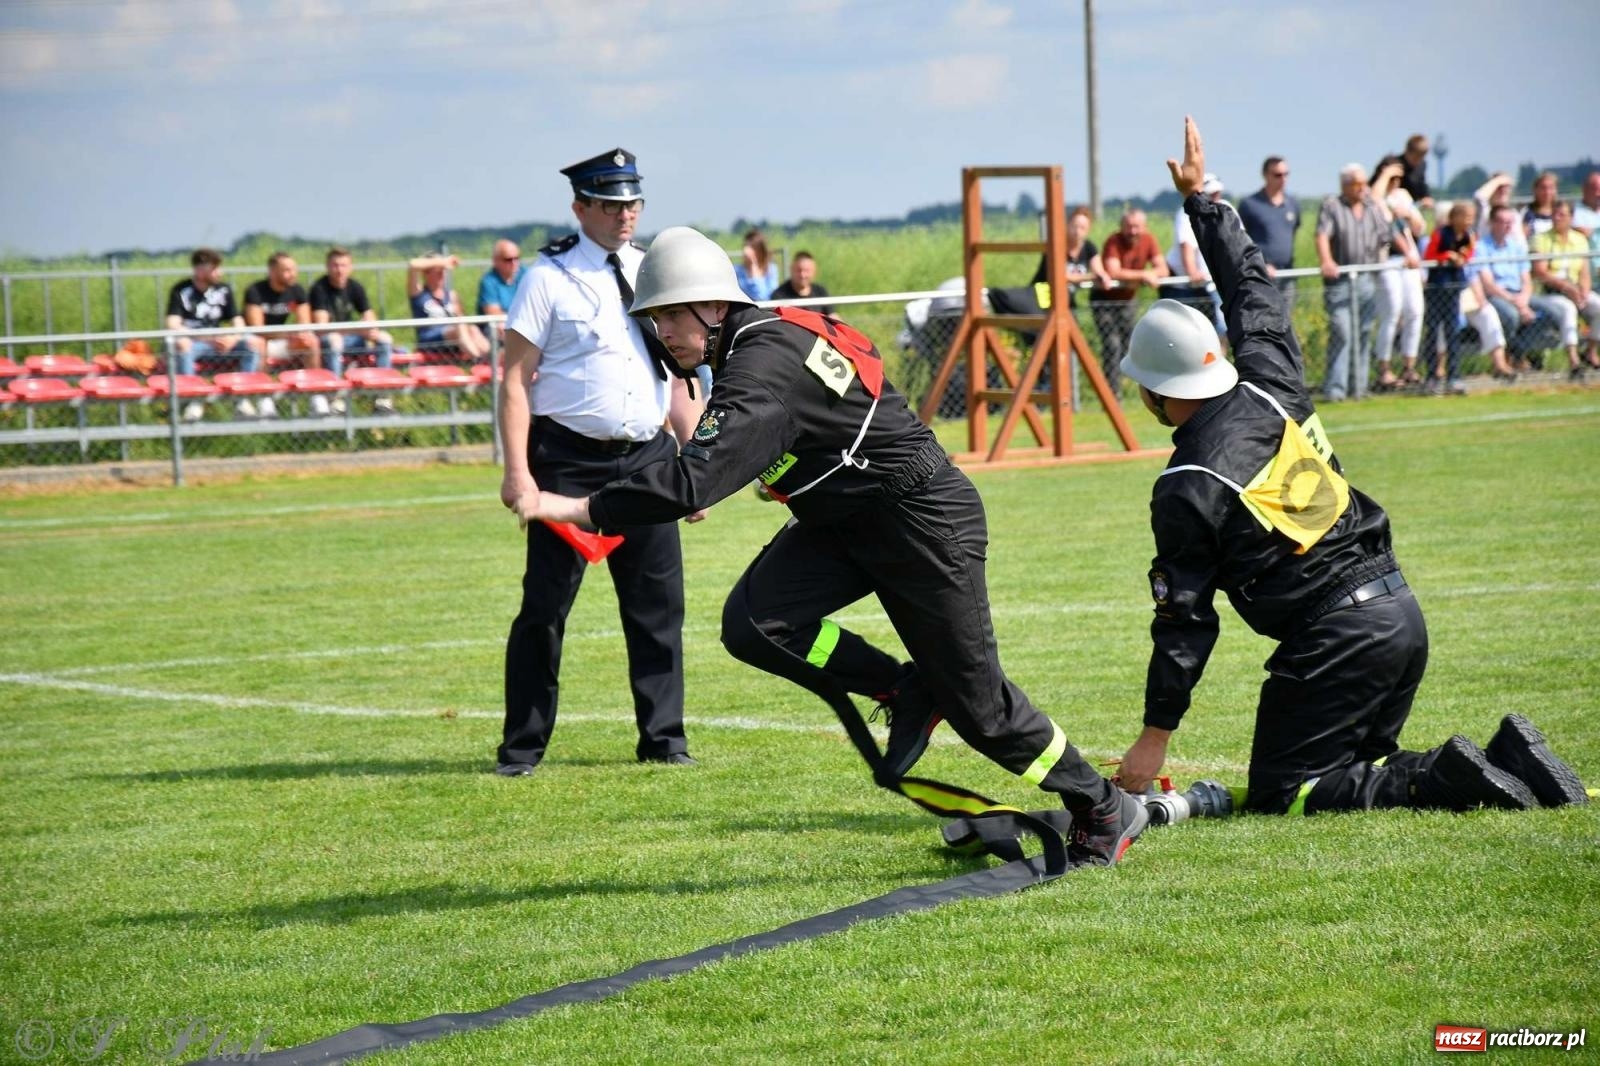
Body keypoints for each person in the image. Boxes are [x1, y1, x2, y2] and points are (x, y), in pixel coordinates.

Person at [513, 224, 1150, 866]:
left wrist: (573, 506)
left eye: (672, 315)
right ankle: (901, 689)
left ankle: (1101, 804)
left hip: (920, 522)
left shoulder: (759, 365)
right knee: (755, 623)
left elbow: (691, 483)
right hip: (846, 519)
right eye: (654, 320)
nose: (662, 332)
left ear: (713, 305)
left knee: (980, 709)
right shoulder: (770, 335)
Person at [1114, 117, 1587, 818]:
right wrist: (1202, 200)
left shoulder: (1188, 485)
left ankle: (1442, 774)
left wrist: (1154, 738)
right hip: (1399, 613)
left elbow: (1185, 620)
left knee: (1287, 793)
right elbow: (1251, 288)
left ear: (1154, 391)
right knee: (1350, 771)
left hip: (1334, 640)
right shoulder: (1269, 379)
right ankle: (1506, 760)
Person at [494, 148, 704, 777]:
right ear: (580, 207)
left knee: (659, 609)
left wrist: (696, 462)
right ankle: (522, 749)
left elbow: (677, 374)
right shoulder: (548, 279)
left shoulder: (653, 272)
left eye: (633, 203)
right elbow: (514, 380)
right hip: (568, 463)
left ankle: (664, 740)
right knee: (545, 611)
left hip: (648, 460)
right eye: (611, 204)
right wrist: (517, 472)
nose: (625, 214)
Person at [1315, 163, 1390, 401]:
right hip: (1340, 280)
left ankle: (1359, 386)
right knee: (1342, 331)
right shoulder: (1332, 206)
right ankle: (1336, 389)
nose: (1362, 188)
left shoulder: (1371, 207)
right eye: (1357, 183)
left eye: (1364, 183)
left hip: (1366, 278)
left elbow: (1386, 235)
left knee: (1364, 331)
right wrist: (1327, 260)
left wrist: (1408, 252)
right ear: (1345, 185)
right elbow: (1322, 235)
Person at [163, 248, 266, 421]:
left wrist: (232, 338)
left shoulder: (223, 290)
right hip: (196, 344)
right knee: (182, 344)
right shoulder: (180, 290)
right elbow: (172, 324)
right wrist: (207, 338)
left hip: (220, 345)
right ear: (200, 269)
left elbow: (238, 321)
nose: (220, 273)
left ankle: (242, 398)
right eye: (215, 268)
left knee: (252, 343)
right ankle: (193, 400)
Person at [1091, 209, 1168, 393]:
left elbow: (1163, 269)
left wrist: (1145, 275)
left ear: (1144, 227)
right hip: (1105, 300)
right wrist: (1144, 275)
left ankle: (1130, 385)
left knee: (1130, 343)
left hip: (1128, 300)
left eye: (1137, 227)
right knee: (1112, 344)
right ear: (1121, 227)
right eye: (1128, 227)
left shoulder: (1149, 240)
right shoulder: (1113, 241)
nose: (1133, 231)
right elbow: (1113, 271)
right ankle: (1111, 392)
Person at [309, 247, 395, 412]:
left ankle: (383, 397)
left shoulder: (355, 287)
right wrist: (358, 329)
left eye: (343, 265)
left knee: (384, 338)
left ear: (350, 267)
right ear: (327, 267)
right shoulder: (319, 289)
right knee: (335, 340)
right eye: (335, 265)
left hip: (352, 339)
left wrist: (370, 330)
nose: (339, 270)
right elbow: (322, 327)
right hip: (327, 342)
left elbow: (369, 316)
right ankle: (335, 398)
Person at [1476, 204, 1556, 372]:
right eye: (1502, 221)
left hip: (1520, 295)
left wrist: (1523, 300)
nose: (1507, 225)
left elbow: (1526, 279)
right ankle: (1510, 359)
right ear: (1492, 223)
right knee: (1511, 316)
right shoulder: (1481, 247)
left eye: (1510, 222)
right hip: (1497, 295)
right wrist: (1515, 301)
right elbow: (1488, 284)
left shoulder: (1517, 247)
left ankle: (1515, 353)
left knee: (1552, 313)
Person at [244, 252, 320, 413]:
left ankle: (316, 396)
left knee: (310, 341)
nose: (293, 274)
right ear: (272, 272)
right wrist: (288, 334)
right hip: (257, 344)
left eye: (294, 269)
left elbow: (304, 324)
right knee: (260, 343)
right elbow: (258, 330)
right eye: (287, 270)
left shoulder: (297, 290)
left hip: (281, 341)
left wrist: (298, 336)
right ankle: (264, 397)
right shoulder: (255, 291)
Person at [1530, 201, 1600, 375]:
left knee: (1597, 305)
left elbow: (1584, 272)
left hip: (1575, 289)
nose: (1557, 218)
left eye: (1562, 215)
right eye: (1554, 214)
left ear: (1571, 218)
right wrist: (1566, 287)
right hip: (1549, 292)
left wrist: (1584, 292)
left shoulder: (1579, 239)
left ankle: (1590, 352)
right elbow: (1540, 272)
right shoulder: (1541, 239)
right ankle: (1574, 361)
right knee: (1568, 309)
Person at [1371, 164, 1425, 390]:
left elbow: (1419, 228)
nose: (1395, 182)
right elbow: (1377, 204)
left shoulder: (1402, 197)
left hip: (1409, 261)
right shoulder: (1375, 198)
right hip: (1387, 260)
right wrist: (1386, 175)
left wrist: (1408, 213)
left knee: (1415, 311)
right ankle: (1384, 368)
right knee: (1391, 312)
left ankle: (1409, 366)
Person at [1418, 200, 1476, 394]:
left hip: (1454, 289)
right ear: (1455, 217)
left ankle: (1454, 376)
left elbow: (1469, 253)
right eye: (1466, 217)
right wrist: (1447, 256)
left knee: (1453, 332)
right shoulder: (1441, 234)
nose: (1469, 221)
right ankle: (1432, 376)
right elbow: (1429, 256)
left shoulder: (1468, 236)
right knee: (1433, 332)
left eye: (1471, 218)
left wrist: (1462, 258)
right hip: (1437, 289)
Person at [1165, 172, 1229, 342]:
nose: (1216, 197)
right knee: (1185, 336)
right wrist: (1192, 272)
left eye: (1217, 193)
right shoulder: (1186, 213)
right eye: (1211, 193)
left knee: (1219, 331)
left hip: (1213, 284)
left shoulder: (1225, 209)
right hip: (1186, 287)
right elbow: (1186, 245)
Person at [408, 254, 490, 363]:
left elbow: (461, 318)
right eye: (438, 271)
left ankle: (491, 360)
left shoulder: (451, 295)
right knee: (459, 327)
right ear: (426, 273)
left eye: (444, 271)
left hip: (454, 339)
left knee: (472, 329)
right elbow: (413, 264)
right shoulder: (418, 294)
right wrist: (443, 261)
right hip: (430, 340)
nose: (442, 274)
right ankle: (478, 360)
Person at [1237, 156, 1300, 295]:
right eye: (1278, 175)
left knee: (1287, 309)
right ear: (1265, 175)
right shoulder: (1249, 204)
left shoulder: (1292, 203)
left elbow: (1293, 231)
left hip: (1287, 274)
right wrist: (1260, 264)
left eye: (1286, 174)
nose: (1283, 179)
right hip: (1259, 275)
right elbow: (1240, 240)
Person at [476, 239, 528, 345]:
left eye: (517, 258)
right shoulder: (489, 281)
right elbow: (494, 313)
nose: (514, 263)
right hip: (502, 326)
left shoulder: (527, 274)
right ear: (495, 261)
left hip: (525, 322)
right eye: (508, 259)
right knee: (501, 326)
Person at [1375, 134, 1432, 210]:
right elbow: (1374, 185)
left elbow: (1422, 185)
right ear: (1407, 151)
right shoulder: (1392, 163)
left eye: (1421, 158)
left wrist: (1426, 197)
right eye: (1415, 158)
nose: (1418, 161)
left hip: (1411, 205)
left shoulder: (1422, 165)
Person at [769, 251, 835, 316]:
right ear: (791, 270)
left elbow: (832, 316)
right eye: (799, 270)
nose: (802, 275)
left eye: (807, 271)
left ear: (814, 272)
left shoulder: (821, 292)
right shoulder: (779, 295)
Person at [734, 228, 779, 302]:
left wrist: (753, 267)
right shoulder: (737, 271)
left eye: (752, 247)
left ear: (760, 250)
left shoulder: (771, 269)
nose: (746, 250)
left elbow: (762, 297)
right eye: (745, 246)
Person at [1522, 172, 1559, 241]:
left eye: (1551, 188)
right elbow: (1522, 237)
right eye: (1543, 188)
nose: (1547, 192)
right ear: (1535, 190)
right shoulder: (1527, 212)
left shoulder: (1562, 211)